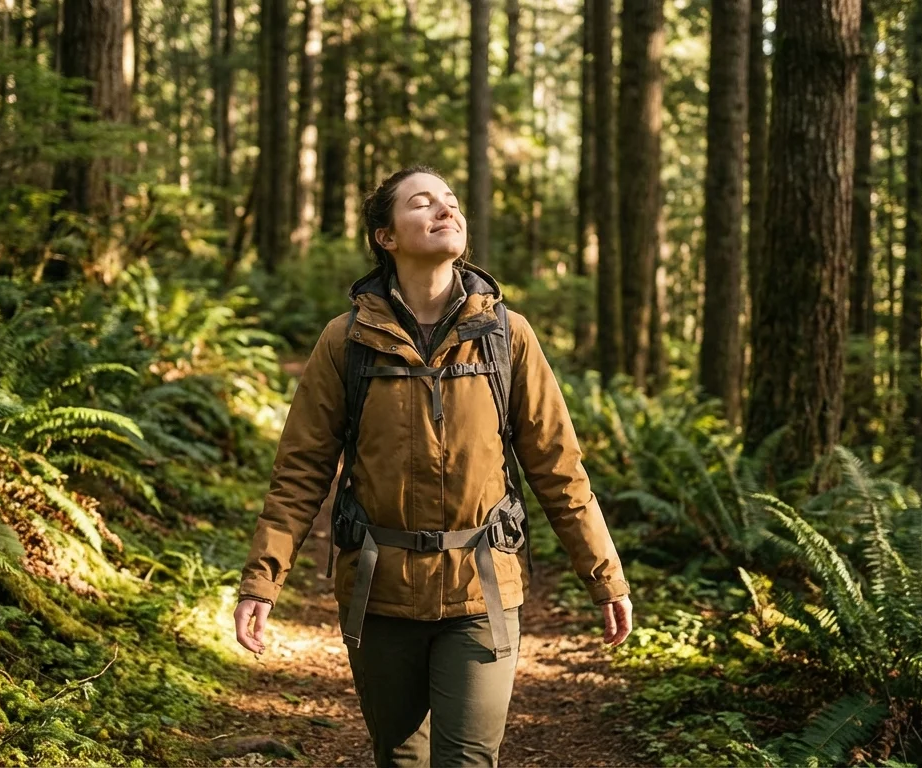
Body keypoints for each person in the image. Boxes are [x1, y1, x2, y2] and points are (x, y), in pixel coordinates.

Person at [233, 165, 633, 767]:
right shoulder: (346, 341)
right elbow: (299, 473)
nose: (446, 210)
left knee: (467, 760)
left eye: (451, 201)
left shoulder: (506, 336)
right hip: (379, 592)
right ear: (386, 236)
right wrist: (262, 581)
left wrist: (605, 576)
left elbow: (559, 469)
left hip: (481, 589)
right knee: (399, 760)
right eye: (422, 203)